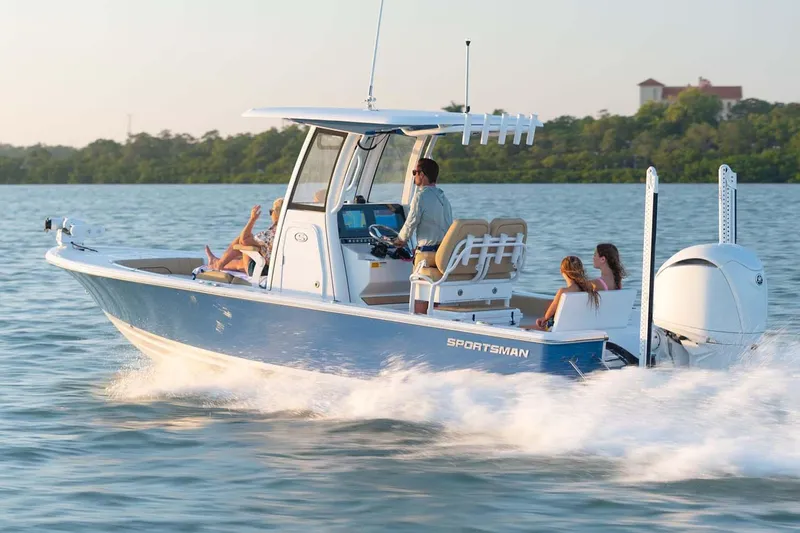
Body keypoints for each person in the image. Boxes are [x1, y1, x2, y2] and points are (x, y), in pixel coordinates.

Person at [393, 158, 453, 262]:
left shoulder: (420, 196)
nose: (414, 176)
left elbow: (411, 223)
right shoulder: (443, 198)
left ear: (421, 174)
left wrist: (400, 240)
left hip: (428, 254)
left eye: (414, 172)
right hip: (444, 253)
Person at [205, 197, 284, 275]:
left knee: (243, 240)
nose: (270, 215)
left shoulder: (270, 234)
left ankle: (219, 264)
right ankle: (217, 263)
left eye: (271, 212)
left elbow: (244, 239)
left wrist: (252, 219)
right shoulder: (287, 233)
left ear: (277, 214)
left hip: (265, 271)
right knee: (242, 261)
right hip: (279, 269)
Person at [524, 256, 600, 331]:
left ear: (563, 272)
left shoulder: (563, 291)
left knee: (528, 327)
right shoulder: (588, 289)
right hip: (580, 327)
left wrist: (544, 319)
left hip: (560, 328)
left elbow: (548, 314)